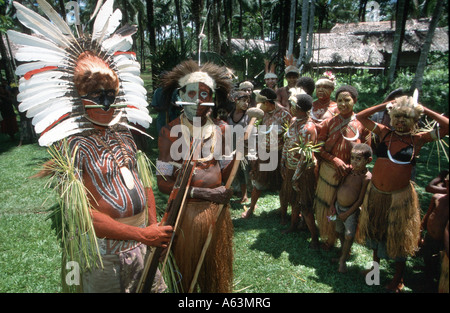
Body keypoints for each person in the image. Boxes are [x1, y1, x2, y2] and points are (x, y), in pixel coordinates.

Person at [9, 0, 173, 293]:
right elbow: (82, 213)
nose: (107, 104)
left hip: (144, 243)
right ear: (78, 96)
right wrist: (142, 234)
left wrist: (152, 228)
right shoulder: (71, 149)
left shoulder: (123, 135)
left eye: (111, 94)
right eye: (98, 95)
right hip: (101, 254)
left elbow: (144, 182)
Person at [355, 90, 449, 292]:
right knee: (376, 233)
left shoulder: (418, 140)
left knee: (398, 239)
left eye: (406, 118)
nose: (400, 122)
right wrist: (386, 104)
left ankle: (398, 278)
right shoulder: (384, 132)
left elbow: (447, 126)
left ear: (414, 120)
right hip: (376, 195)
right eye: (397, 117)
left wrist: (424, 110)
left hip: (400, 199)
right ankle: (376, 270)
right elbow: (360, 116)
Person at [156, 59, 234, 293]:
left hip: (216, 213)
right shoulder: (169, 132)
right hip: (185, 214)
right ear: (180, 96)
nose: (198, 100)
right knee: (185, 276)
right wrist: (199, 192)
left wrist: (234, 156)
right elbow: (162, 183)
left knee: (214, 277)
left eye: (204, 93)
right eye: (191, 93)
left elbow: (227, 175)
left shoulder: (222, 129)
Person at [313, 85, 371, 250]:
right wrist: (335, 161)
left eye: (347, 100)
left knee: (344, 208)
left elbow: (367, 151)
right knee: (327, 208)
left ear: (355, 101)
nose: (343, 104)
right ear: (335, 102)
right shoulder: (329, 122)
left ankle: (345, 239)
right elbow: (319, 148)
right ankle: (329, 237)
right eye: (339, 100)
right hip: (329, 173)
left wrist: (353, 168)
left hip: (351, 175)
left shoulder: (362, 124)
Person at [242, 88, 291, 219]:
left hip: (279, 153)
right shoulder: (262, 114)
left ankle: (283, 214)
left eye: (260, 103)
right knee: (258, 183)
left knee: (282, 184)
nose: (258, 106)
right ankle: (251, 209)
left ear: (268, 103)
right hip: (264, 152)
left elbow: (290, 137)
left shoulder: (285, 115)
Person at [279, 92, 319, 249]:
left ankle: (315, 238)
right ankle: (293, 226)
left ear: (300, 108)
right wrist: (283, 163)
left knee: (305, 206)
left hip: (302, 172)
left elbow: (305, 156)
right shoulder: (294, 121)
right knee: (294, 201)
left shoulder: (308, 128)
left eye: (292, 105)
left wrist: (296, 176)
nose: (290, 108)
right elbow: (287, 143)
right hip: (290, 168)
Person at [330, 143, 372, 273]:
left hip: (351, 211)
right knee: (338, 231)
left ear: (368, 160)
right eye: (352, 158)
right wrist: (332, 205)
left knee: (349, 234)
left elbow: (360, 200)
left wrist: (348, 213)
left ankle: (342, 260)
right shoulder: (348, 171)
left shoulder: (366, 177)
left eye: (358, 159)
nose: (354, 161)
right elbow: (338, 187)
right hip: (337, 207)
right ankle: (345, 251)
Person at [419, 174, 449, 291]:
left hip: (443, 241)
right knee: (427, 258)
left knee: (439, 264)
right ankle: (427, 280)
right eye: (448, 184)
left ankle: (436, 283)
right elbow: (427, 216)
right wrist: (420, 231)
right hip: (430, 237)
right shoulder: (437, 197)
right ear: (445, 183)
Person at [227, 90, 252, 203]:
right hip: (233, 148)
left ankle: (251, 194)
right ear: (236, 100)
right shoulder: (230, 115)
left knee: (247, 171)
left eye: (247, 101)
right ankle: (243, 195)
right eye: (243, 101)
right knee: (238, 171)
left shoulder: (248, 116)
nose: (246, 104)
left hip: (245, 148)